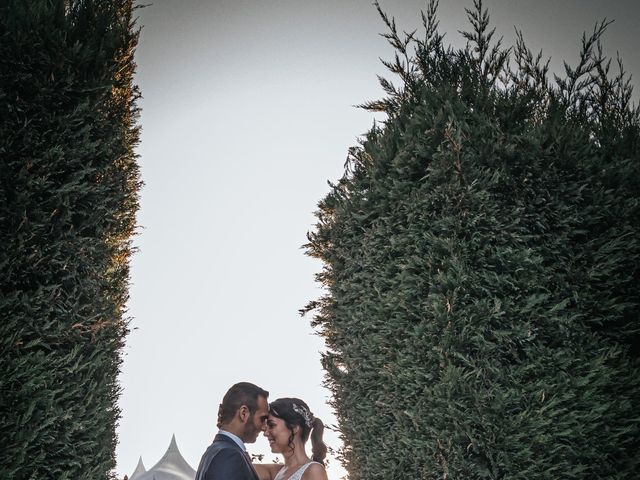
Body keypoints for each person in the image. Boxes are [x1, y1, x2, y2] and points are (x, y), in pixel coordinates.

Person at [195, 382, 270, 480]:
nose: (264, 427)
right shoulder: (228, 455)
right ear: (244, 413)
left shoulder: (214, 451)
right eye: (262, 418)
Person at [254, 398, 328, 480]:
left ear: (294, 428)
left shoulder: (314, 471)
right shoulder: (276, 471)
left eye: (271, 425)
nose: (265, 433)